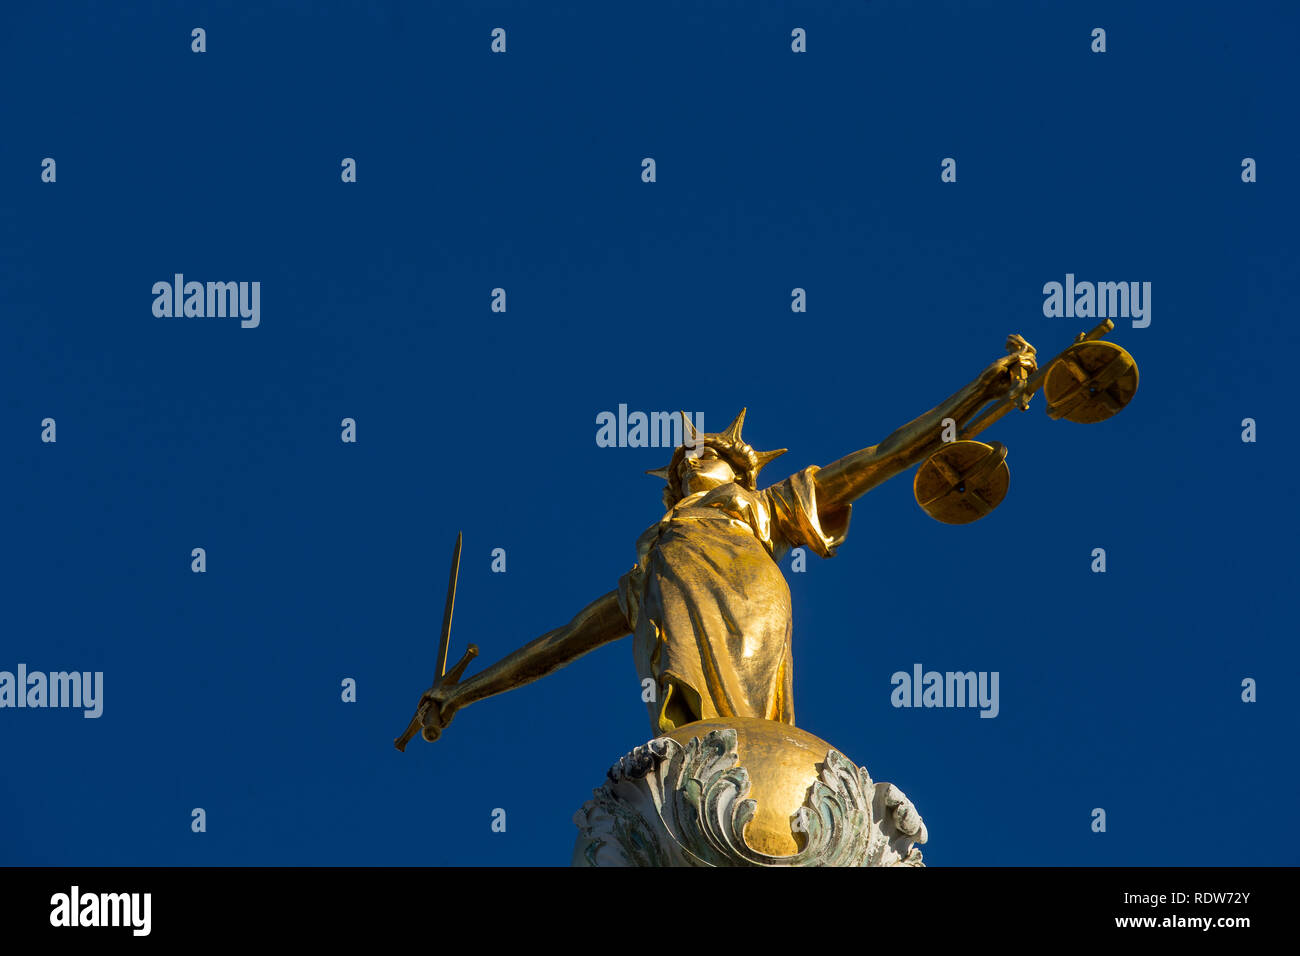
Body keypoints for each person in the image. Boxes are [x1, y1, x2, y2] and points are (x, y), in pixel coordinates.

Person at [419, 335, 1038, 741]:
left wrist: (981, 389)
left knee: (754, 737)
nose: (690, 463)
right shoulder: (646, 571)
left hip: (751, 597)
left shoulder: (765, 508)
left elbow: (884, 456)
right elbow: (560, 643)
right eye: (683, 464)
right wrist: (461, 693)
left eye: (707, 456)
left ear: (739, 471)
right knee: (692, 747)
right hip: (676, 617)